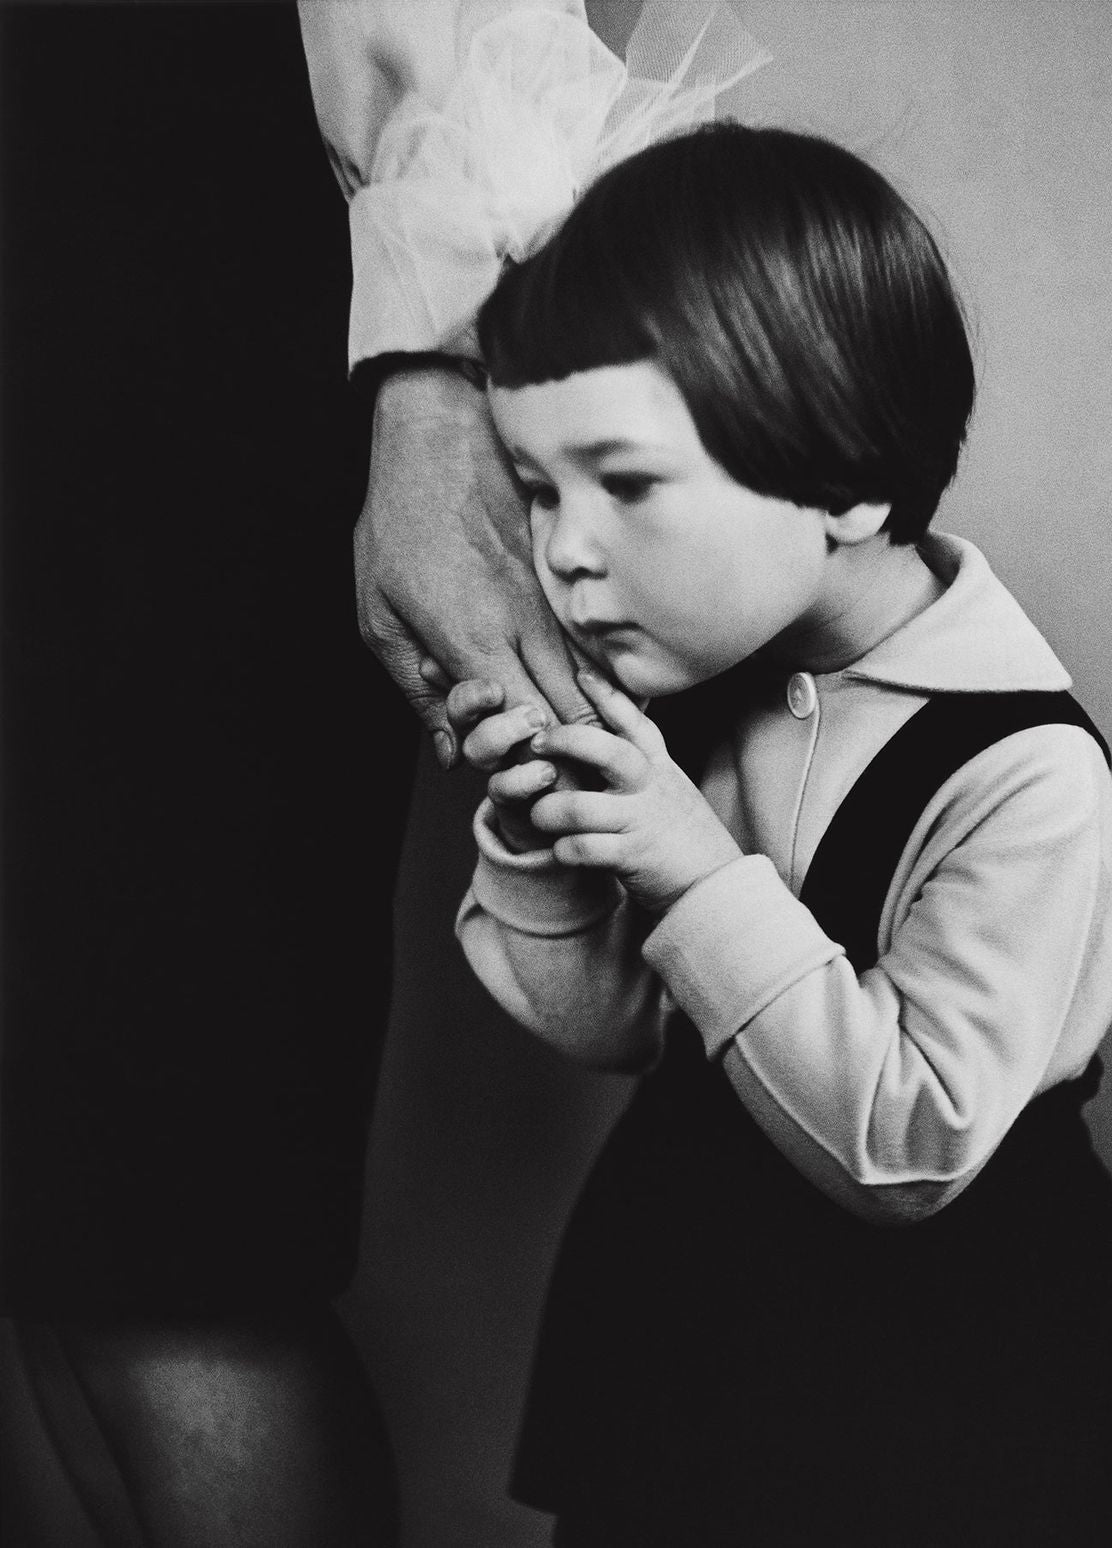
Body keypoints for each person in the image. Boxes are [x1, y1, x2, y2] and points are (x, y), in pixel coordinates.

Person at [449, 125, 1112, 1545]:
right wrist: (543, 846)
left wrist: (687, 863)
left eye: (627, 482)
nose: (566, 552)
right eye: (540, 490)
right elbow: (624, 1029)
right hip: (689, 1347)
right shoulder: (694, 676)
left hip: (943, 1385)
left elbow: (909, 1146)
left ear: (850, 479)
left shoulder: (1022, 771)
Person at [0, 2, 623, 1541]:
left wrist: (434, 384)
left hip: (164, 380)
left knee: (166, 1234)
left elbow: (458, 32)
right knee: (47, 1241)